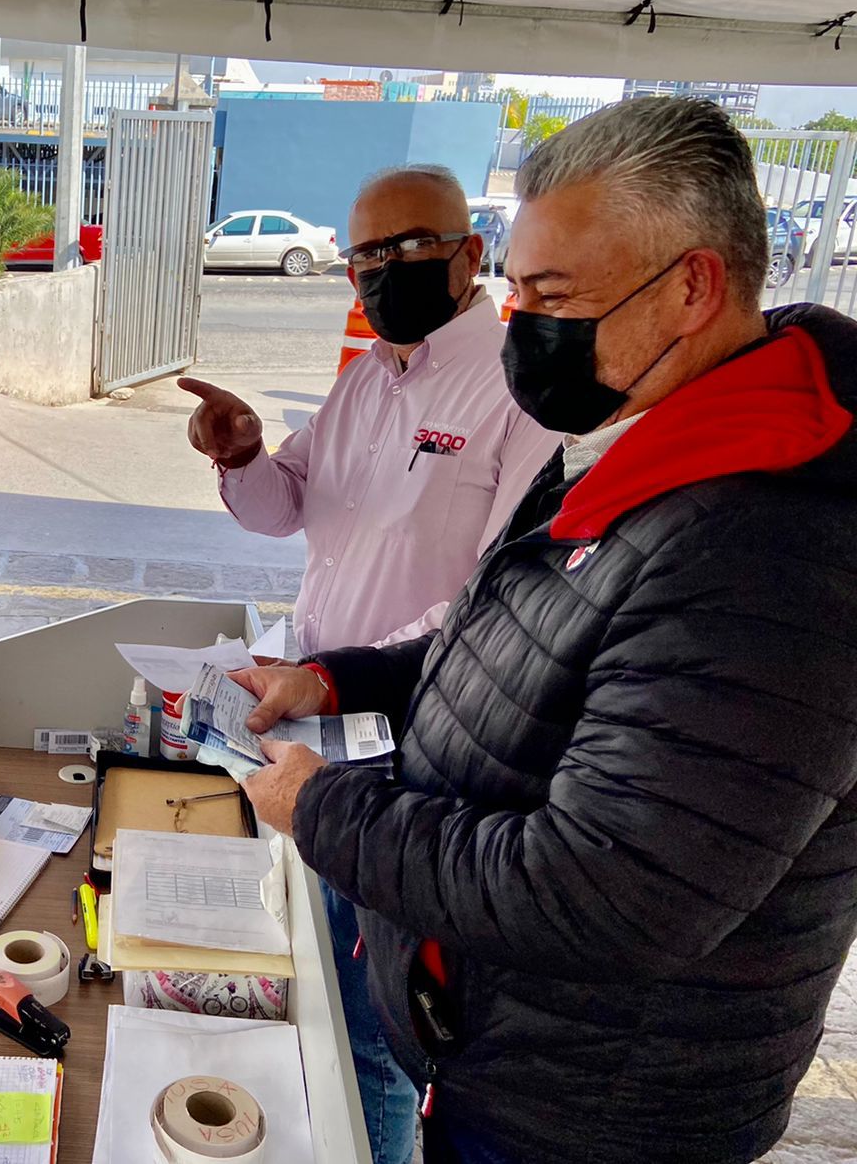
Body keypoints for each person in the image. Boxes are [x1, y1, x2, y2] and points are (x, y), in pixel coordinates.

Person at [234, 95, 857, 1163]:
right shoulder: (651, 442)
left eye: (551, 295)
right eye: (518, 291)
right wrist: (337, 680)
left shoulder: (772, 547)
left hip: (588, 1111)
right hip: (499, 1049)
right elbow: (516, 639)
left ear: (693, 288)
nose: (521, 325)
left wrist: (326, 807)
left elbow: (604, 893)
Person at [180, 166, 557, 1164]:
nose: (381, 272)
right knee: (321, 986)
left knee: (376, 1035)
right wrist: (243, 455)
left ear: (470, 254)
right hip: (316, 730)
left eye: (406, 250)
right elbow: (285, 510)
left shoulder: (517, 387)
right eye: (364, 257)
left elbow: (495, 600)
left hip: (416, 757)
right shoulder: (364, 376)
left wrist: (347, 674)